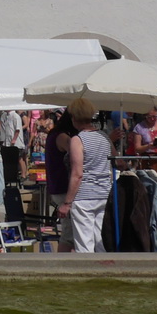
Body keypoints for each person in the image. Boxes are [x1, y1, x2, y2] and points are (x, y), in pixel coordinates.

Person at [62, 102, 113, 253]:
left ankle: (86, 272)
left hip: (84, 196)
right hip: (104, 193)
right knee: (100, 240)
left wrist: (67, 202)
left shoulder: (78, 140)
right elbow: (118, 161)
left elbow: (77, 174)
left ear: (74, 118)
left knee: (84, 244)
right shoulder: (104, 137)